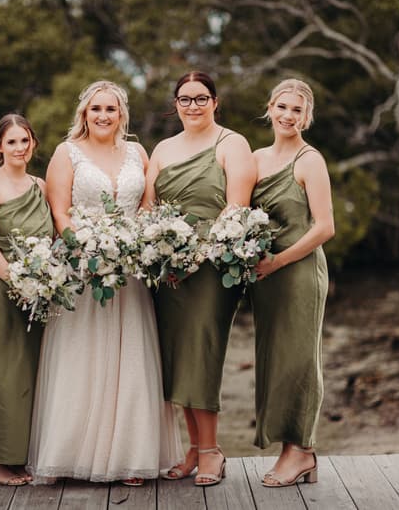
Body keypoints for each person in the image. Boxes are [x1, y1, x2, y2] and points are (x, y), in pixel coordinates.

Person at [26, 80, 182, 485]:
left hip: (130, 271)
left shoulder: (137, 152)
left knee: (130, 361)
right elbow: (60, 213)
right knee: (81, 358)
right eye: (96, 109)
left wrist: (140, 244)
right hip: (82, 270)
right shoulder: (67, 154)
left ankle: (130, 458)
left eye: (110, 109)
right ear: (84, 113)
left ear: (121, 114)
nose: (102, 116)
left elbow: (147, 206)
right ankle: (68, 456)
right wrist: (86, 250)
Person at [142, 71, 256, 487]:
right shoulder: (163, 148)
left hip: (212, 268)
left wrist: (197, 254)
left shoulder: (232, 144)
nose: (193, 105)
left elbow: (236, 210)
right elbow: (149, 206)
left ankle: (212, 450)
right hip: (168, 269)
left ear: (215, 102)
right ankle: (192, 448)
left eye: (201, 98)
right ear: (175, 104)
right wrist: (163, 250)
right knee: (176, 355)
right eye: (185, 99)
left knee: (202, 351)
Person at [249, 78, 335, 487]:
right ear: (270, 108)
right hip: (265, 278)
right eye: (282, 107)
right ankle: (297, 452)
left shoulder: (309, 160)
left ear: (307, 116)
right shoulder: (256, 157)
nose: (287, 115)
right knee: (275, 360)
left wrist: (279, 260)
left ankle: (299, 450)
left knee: (299, 361)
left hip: (298, 273)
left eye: (296, 110)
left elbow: (325, 228)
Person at [0, 113, 54, 485]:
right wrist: (15, 278)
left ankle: (19, 452)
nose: (20, 148)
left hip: (37, 286)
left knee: (29, 367)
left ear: (33, 143)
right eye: (12, 142)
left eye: (25, 140)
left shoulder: (41, 184)